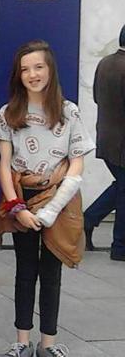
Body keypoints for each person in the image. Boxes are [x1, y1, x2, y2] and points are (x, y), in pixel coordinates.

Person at [0, 40, 95, 357]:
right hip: (22, 196)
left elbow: (77, 163)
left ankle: (48, 343)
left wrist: (52, 209)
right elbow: (5, 165)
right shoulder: (9, 114)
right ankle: (22, 341)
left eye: (38, 67)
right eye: (25, 69)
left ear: (50, 69)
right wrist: (17, 207)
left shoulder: (68, 111)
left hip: (59, 200)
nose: (32, 74)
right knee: (25, 272)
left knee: (52, 273)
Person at [84, 24, 125, 260]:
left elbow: (97, 97)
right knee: (123, 191)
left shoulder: (105, 63)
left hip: (107, 137)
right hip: (121, 143)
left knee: (121, 186)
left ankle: (88, 220)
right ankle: (119, 247)